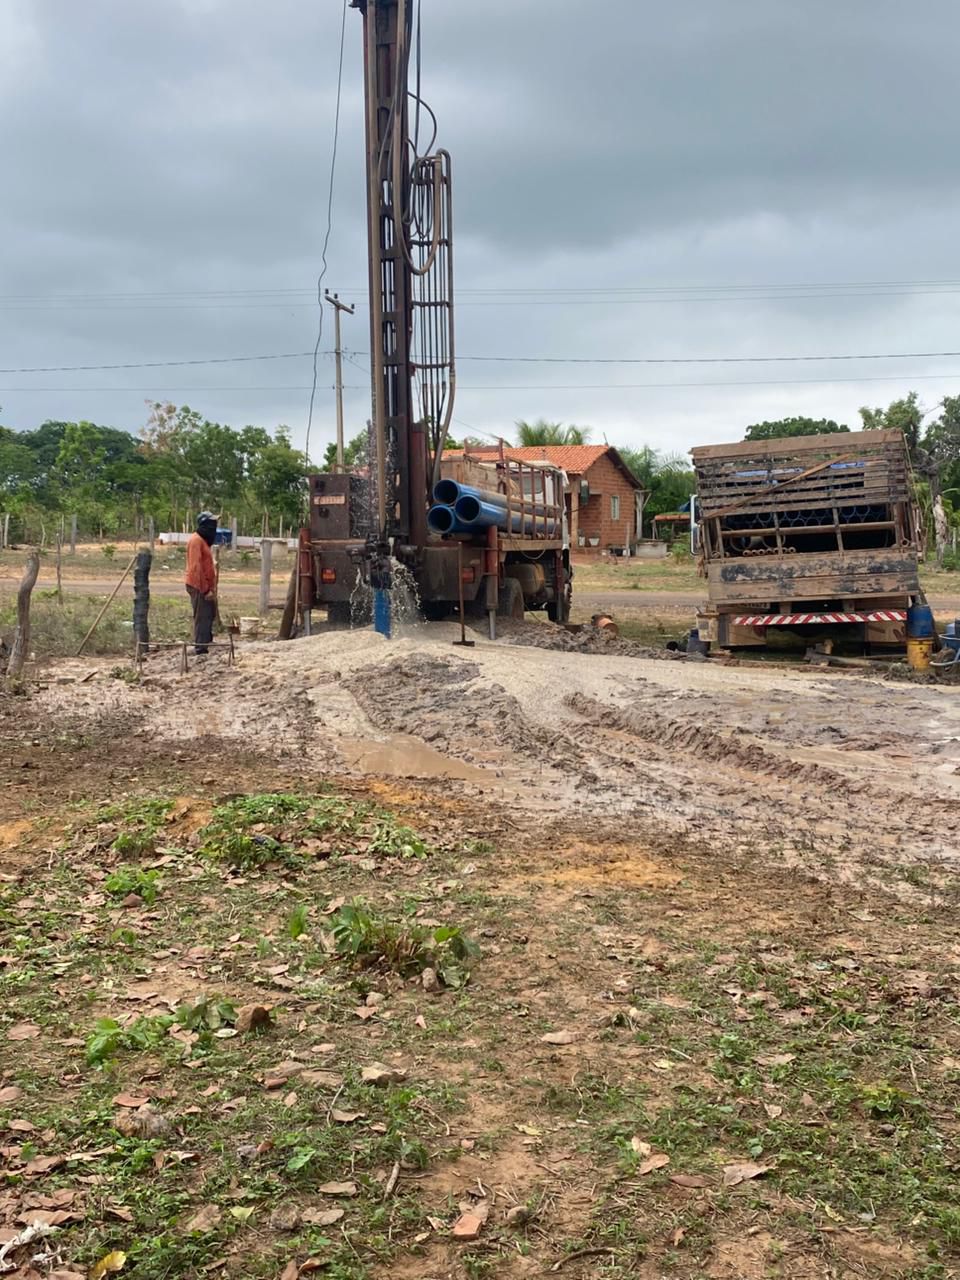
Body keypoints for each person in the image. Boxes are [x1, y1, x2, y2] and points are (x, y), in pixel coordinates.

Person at [185, 512, 218, 654]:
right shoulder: (196, 541)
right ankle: (200, 647)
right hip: (198, 585)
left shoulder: (203, 541)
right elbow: (196, 568)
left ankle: (206, 641)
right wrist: (205, 590)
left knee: (208, 613)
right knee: (202, 615)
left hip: (205, 585)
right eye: (212, 523)